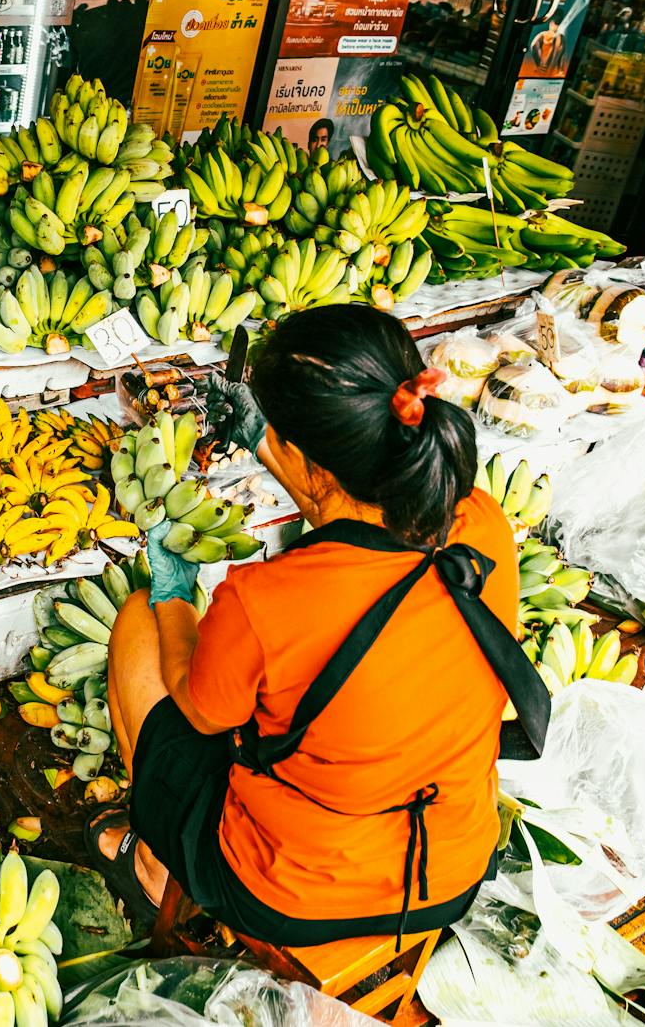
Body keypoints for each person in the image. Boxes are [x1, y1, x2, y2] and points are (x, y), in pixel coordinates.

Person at [87, 306, 546, 942]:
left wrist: (171, 595)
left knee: (140, 621)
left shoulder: (268, 599)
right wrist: (268, 446)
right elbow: (366, 529)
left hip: (291, 889)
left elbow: (198, 712)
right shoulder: (480, 523)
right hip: (449, 871)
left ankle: (155, 868)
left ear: (308, 457)